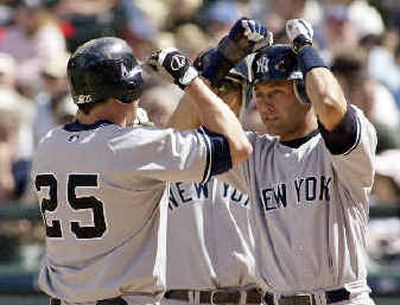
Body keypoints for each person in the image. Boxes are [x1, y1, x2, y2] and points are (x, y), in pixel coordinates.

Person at [31, 36, 255, 305]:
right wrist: (190, 80)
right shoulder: (132, 146)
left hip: (64, 298)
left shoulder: (49, 144)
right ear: (128, 89)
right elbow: (238, 146)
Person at [171, 18, 377, 305]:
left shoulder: (340, 148)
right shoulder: (254, 155)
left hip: (341, 298)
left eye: (277, 93)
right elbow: (179, 136)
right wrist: (221, 59)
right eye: (259, 94)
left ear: (306, 92)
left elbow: (329, 103)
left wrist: (305, 47)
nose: (265, 105)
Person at [162, 51, 266, 305]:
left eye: (228, 87)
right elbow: (171, 138)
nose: (216, 97)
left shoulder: (264, 157)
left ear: (245, 96)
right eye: (211, 86)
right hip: (180, 299)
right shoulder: (167, 152)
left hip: (250, 298)